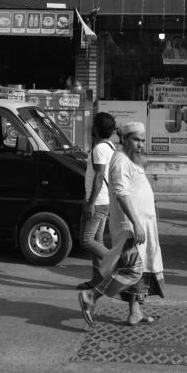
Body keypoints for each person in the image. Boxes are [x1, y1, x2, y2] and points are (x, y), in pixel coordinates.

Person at [78, 121, 165, 326]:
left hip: (142, 224)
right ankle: (91, 296)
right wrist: (136, 223)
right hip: (129, 226)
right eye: (136, 140)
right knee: (132, 270)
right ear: (124, 139)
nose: (140, 144)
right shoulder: (120, 160)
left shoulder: (133, 159)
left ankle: (135, 312)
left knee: (141, 270)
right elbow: (121, 194)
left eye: (143, 140)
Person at [78, 112, 117, 290]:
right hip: (104, 199)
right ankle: (97, 281)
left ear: (97, 128)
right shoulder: (109, 146)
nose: (90, 127)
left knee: (86, 240)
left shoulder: (100, 149)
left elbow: (100, 176)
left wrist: (91, 202)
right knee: (98, 241)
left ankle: (118, 262)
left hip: (99, 201)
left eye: (93, 124)